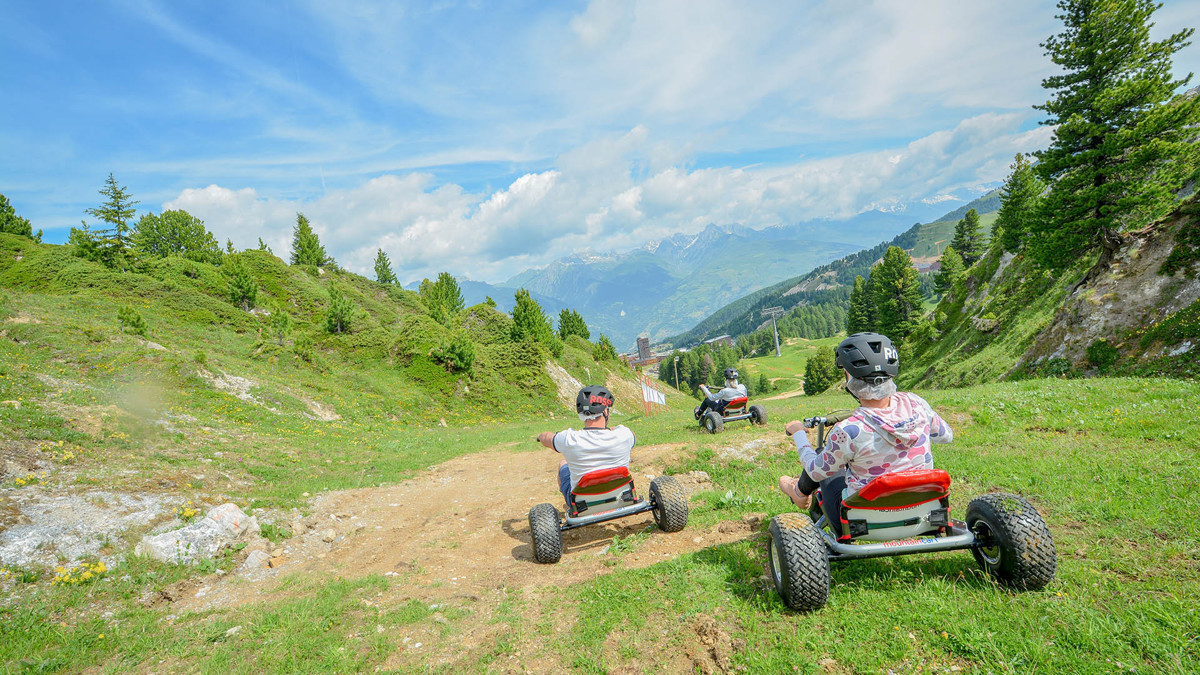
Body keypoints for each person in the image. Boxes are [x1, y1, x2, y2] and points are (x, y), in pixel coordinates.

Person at [777, 332, 954, 539]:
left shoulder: (849, 430)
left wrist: (799, 433)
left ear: (850, 378)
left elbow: (815, 471)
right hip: (924, 512)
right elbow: (945, 436)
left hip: (862, 523)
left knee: (823, 458)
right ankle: (798, 492)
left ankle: (798, 493)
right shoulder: (918, 405)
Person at [537, 385, 635, 508]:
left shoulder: (569, 438)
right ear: (605, 411)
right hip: (621, 496)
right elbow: (630, 435)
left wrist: (540, 436)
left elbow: (548, 439)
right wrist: (610, 430)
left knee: (563, 463)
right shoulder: (624, 434)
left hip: (582, 504)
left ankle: (573, 507)